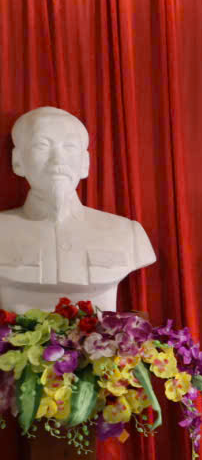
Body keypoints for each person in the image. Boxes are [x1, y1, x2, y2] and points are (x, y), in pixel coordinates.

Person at [0, 106, 155, 313]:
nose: (58, 159)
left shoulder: (128, 233)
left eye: (69, 147)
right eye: (41, 146)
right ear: (17, 161)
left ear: (85, 163)